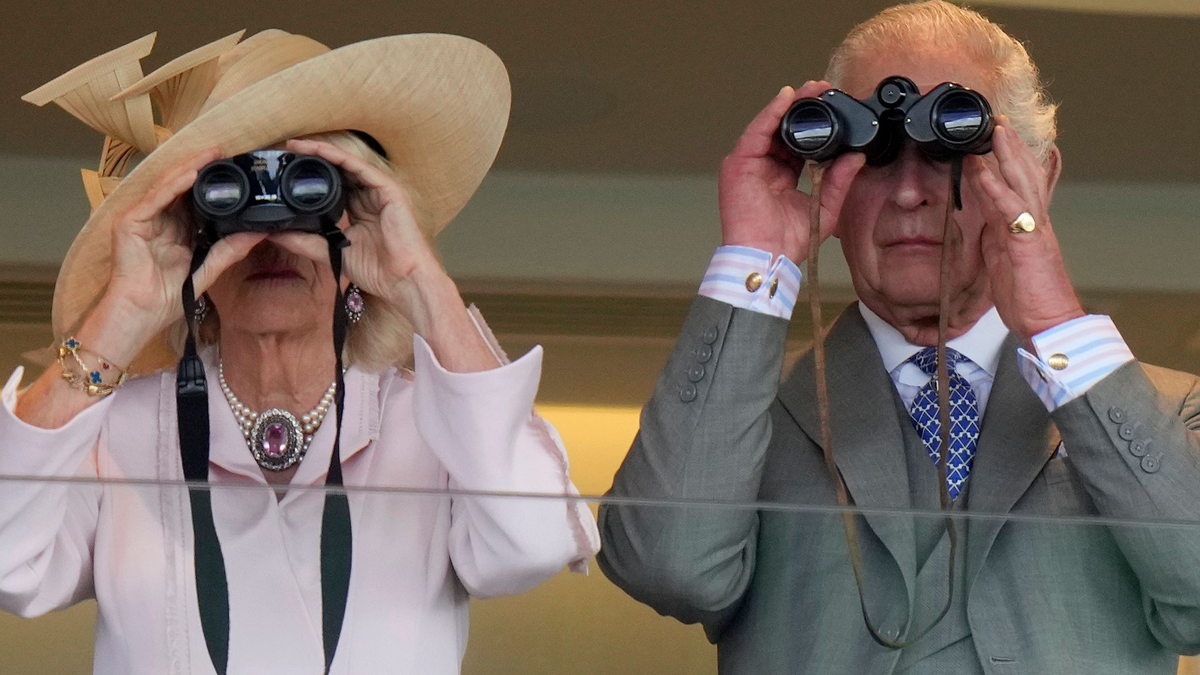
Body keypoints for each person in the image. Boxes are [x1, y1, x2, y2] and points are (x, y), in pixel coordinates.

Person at [597, 2, 1200, 673]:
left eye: (951, 147)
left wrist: (1056, 322)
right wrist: (753, 254)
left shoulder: (1174, 409)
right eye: (874, 154)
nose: (910, 191)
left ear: (1041, 178)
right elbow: (665, 566)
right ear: (826, 171)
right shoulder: (744, 415)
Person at [0, 29, 599, 674]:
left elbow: (531, 544)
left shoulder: (436, 426)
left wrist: (420, 284)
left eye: (311, 192)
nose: (271, 235)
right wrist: (124, 313)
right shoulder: (116, 429)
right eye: (228, 197)